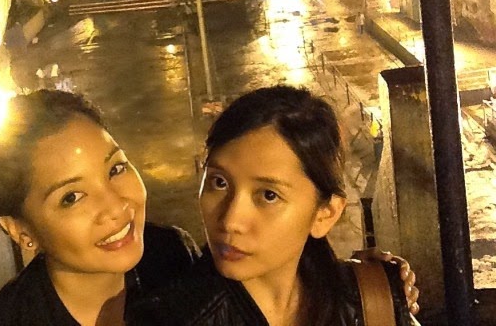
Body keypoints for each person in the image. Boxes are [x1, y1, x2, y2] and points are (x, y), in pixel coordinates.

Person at [132, 85, 419, 325]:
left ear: (326, 214)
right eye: (219, 182)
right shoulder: (167, 319)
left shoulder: (369, 300)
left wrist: (376, 287)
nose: (230, 221)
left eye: (268, 195)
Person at [0, 90, 199, 326]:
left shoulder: (172, 254)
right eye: (71, 197)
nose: (116, 207)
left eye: (116, 169)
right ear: (21, 230)